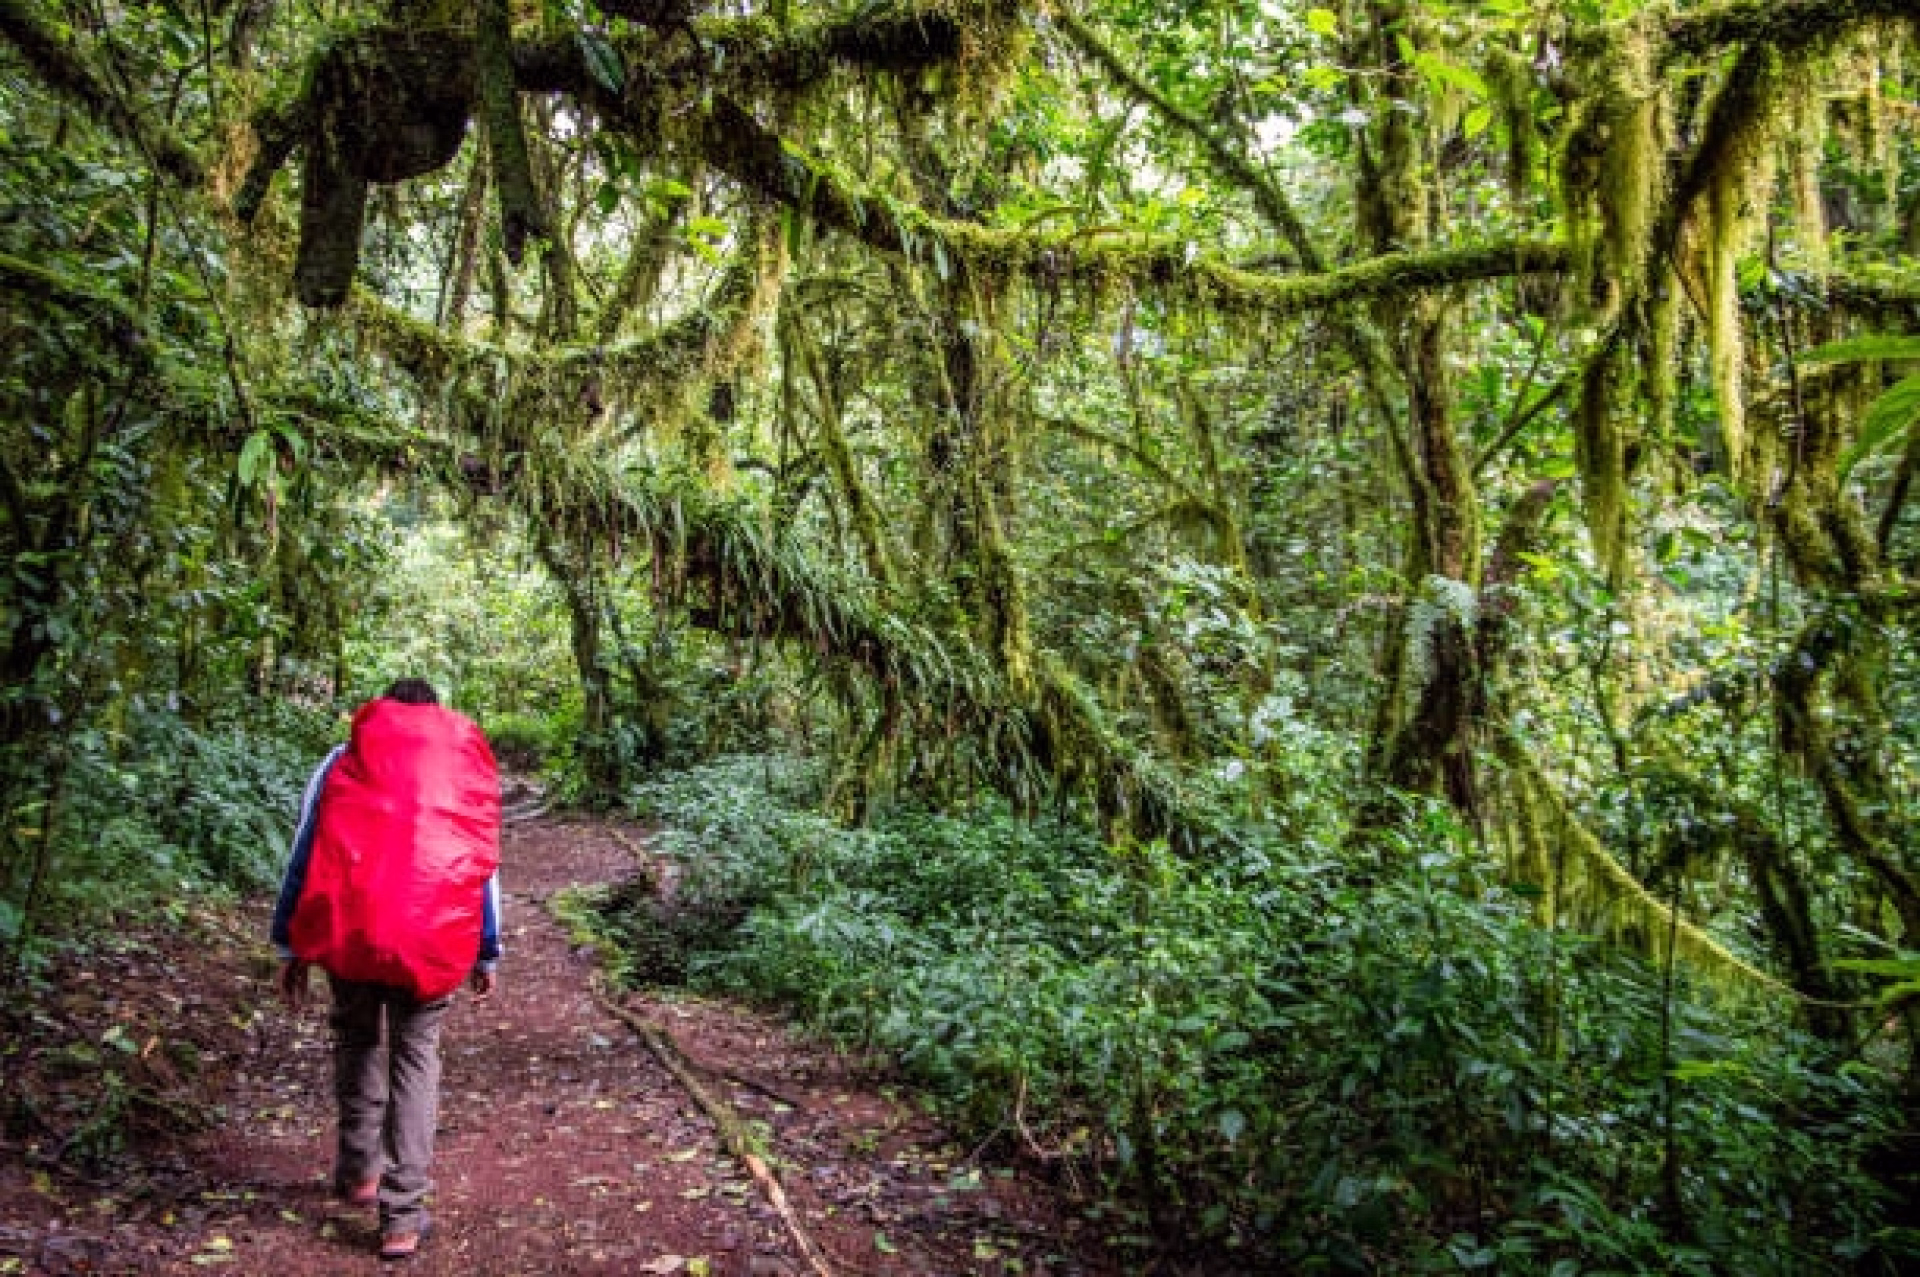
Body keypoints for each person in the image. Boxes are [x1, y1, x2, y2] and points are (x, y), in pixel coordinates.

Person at [270, 678, 502, 1262]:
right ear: (435, 714)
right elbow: (482, 860)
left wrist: (289, 943)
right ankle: (400, 1218)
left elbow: (307, 848)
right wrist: (486, 948)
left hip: (351, 932)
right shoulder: (461, 764)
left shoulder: (342, 759)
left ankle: (357, 1172)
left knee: (355, 1038)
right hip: (431, 935)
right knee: (415, 1056)